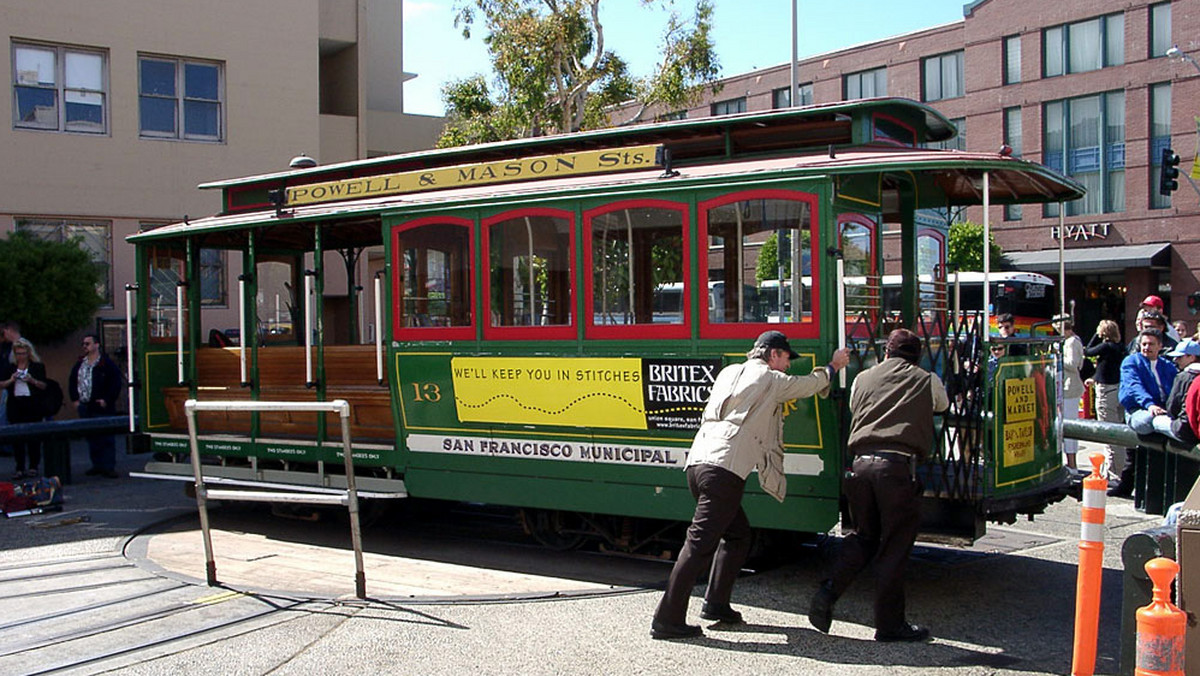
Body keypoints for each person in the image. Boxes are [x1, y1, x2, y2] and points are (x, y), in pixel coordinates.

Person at [650, 331, 850, 640]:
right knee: (699, 545)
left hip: (698, 463)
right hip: (723, 471)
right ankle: (667, 619)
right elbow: (810, 384)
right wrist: (834, 366)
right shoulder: (770, 378)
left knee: (738, 535)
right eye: (786, 358)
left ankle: (716, 604)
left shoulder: (729, 372)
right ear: (772, 355)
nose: (787, 366)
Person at [808, 329, 949, 643]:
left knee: (863, 536)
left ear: (887, 353)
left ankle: (828, 592)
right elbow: (942, 405)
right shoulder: (926, 380)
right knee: (895, 546)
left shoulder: (863, 378)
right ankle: (889, 625)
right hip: (896, 468)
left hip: (859, 466)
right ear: (917, 356)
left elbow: (856, 409)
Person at [69, 333, 125, 478]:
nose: (85, 347)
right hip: (85, 405)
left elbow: (115, 384)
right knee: (92, 437)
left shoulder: (105, 364)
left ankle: (108, 466)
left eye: (88, 343)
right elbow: (72, 381)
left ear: (96, 345)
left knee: (106, 437)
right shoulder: (80, 363)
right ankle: (97, 465)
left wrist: (106, 400)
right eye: (83, 344)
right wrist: (75, 399)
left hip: (101, 406)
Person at [1085, 320, 1130, 491]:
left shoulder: (1106, 347)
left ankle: (1114, 475)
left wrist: (1097, 335)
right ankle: (1116, 471)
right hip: (1118, 389)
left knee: (1109, 434)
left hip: (1106, 393)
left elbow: (1088, 351)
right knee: (1119, 432)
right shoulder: (1121, 348)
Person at [0, 338, 48, 478]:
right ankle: (19, 467)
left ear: (29, 353)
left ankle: (33, 465)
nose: (21, 356)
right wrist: (12, 379)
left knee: (34, 437)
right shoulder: (9, 367)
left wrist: (31, 380)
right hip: (16, 404)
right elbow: (2, 384)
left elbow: (44, 385)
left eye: (24, 353)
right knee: (17, 438)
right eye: (18, 353)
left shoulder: (37, 366)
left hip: (32, 404)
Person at [1120, 329, 1177, 436]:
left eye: (1151, 344)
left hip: (1165, 409)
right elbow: (1134, 386)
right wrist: (1150, 405)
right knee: (1149, 419)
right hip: (1138, 410)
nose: (1146, 347)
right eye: (1144, 344)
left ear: (1160, 346)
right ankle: (1176, 431)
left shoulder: (1168, 365)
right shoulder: (1131, 362)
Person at [1150, 339, 1200, 445]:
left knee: (1154, 421)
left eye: (1180, 357)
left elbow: (1172, 407)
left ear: (1192, 357)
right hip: (1195, 428)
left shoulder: (1184, 376)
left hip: (1185, 430)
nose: (1176, 360)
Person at [1058, 319, 1084, 469]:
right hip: (1063, 388)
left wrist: (1057, 356)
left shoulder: (1072, 342)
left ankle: (1072, 464)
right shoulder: (1067, 341)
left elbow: (1073, 364)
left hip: (1071, 388)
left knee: (1070, 426)